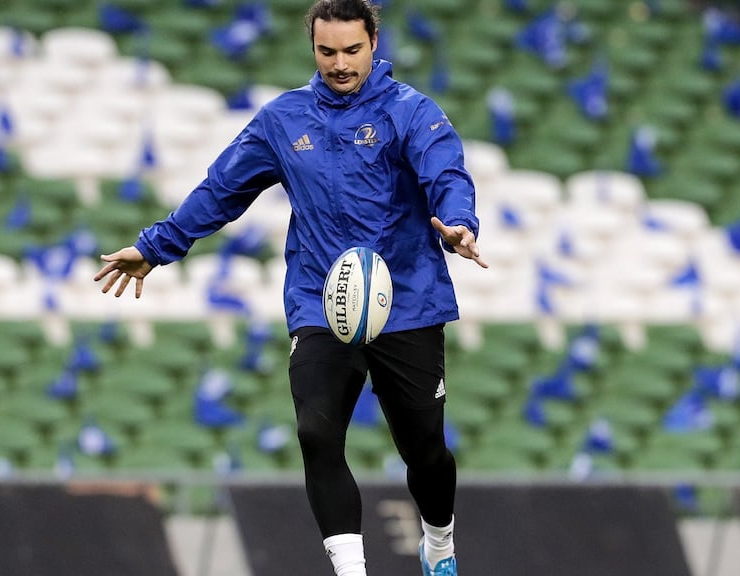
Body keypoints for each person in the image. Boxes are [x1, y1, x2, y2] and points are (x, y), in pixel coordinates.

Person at [94, 1, 487, 574]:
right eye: (327, 51)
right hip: (322, 300)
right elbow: (221, 188)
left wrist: (459, 225)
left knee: (424, 450)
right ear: (313, 48)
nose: (340, 63)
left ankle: (440, 544)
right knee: (315, 431)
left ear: (374, 42)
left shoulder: (411, 113)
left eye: (352, 50)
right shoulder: (285, 120)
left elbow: (445, 172)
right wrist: (156, 246)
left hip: (407, 300)